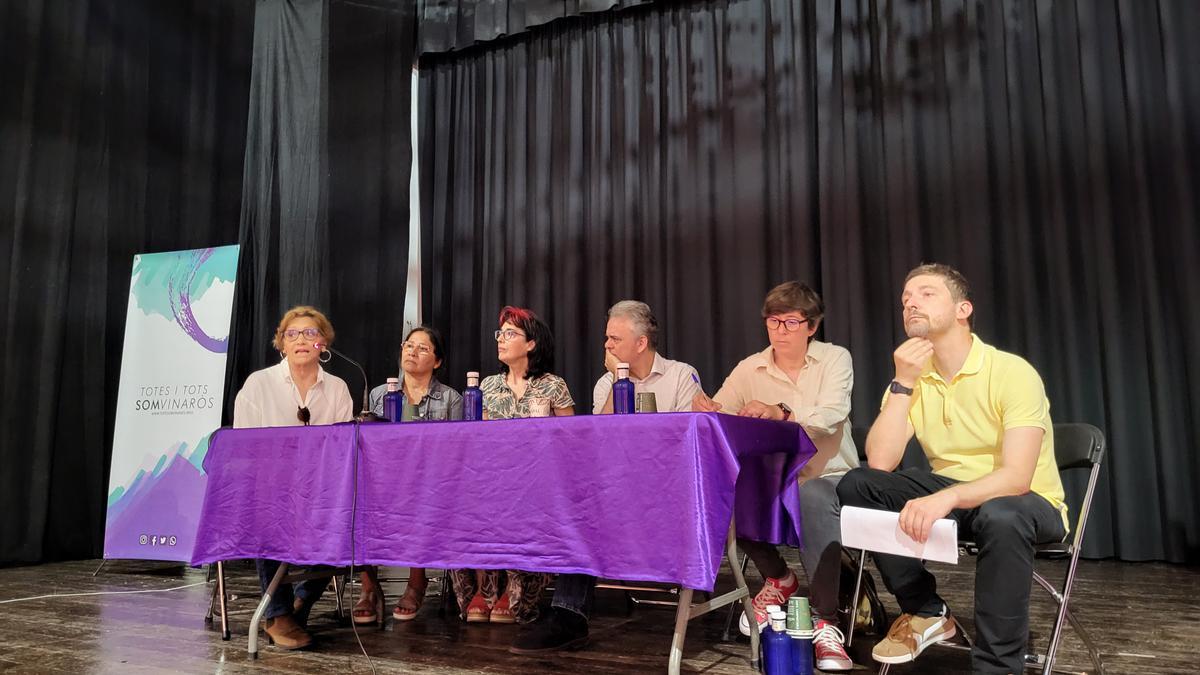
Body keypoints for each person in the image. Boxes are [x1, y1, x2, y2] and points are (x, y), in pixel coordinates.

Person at [838, 263, 1067, 673]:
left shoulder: (1011, 372)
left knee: (1002, 513)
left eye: (926, 293)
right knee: (859, 484)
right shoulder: (914, 377)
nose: (910, 303)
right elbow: (881, 462)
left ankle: (997, 667)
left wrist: (947, 497)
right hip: (957, 496)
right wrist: (903, 383)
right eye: (905, 299)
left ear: (963, 309)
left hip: (1025, 502)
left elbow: (1017, 478)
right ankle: (926, 610)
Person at [510, 300, 701, 654]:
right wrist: (618, 378)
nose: (606, 346)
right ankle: (569, 616)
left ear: (640, 343)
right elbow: (600, 442)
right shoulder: (606, 383)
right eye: (606, 338)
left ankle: (568, 612)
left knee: (590, 503)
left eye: (614, 339)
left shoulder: (681, 376)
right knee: (576, 503)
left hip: (667, 490)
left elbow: (685, 444)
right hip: (616, 489)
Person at [693, 281, 858, 671]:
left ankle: (824, 621)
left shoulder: (834, 359)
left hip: (830, 476)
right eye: (773, 322)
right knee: (724, 491)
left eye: (790, 322)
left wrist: (782, 410)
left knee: (814, 497)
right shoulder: (751, 366)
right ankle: (780, 578)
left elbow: (832, 412)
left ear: (812, 326)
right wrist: (708, 407)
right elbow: (723, 410)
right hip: (771, 478)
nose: (780, 331)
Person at [232, 305, 354, 650]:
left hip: (321, 490)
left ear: (324, 343)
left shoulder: (338, 388)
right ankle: (278, 612)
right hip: (269, 489)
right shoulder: (259, 384)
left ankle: (302, 601)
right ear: (281, 344)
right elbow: (245, 449)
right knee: (271, 512)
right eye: (293, 333)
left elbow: (341, 449)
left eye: (311, 333)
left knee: (347, 519)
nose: (302, 339)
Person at [450, 306, 575, 625]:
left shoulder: (553, 385)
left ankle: (514, 590)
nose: (501, 340)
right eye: (500, 334)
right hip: (495, 477)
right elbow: (477, 441)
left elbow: (571, 441)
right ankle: (484, 588)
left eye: (510, 334)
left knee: (523, 502)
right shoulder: (486, 387)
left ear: (531, 343)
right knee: (468, 500)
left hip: (538, 479)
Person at [352, 326, 463, 625]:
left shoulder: (451, 399)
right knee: (356, 500)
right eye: (408, 345)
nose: (412, 352)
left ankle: (416, 582)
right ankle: (368, 586)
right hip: (384, 480)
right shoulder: (379, 394)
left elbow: (458, 449)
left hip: (432, 481)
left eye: (423, 348)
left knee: (422, 498)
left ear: (437, 361)